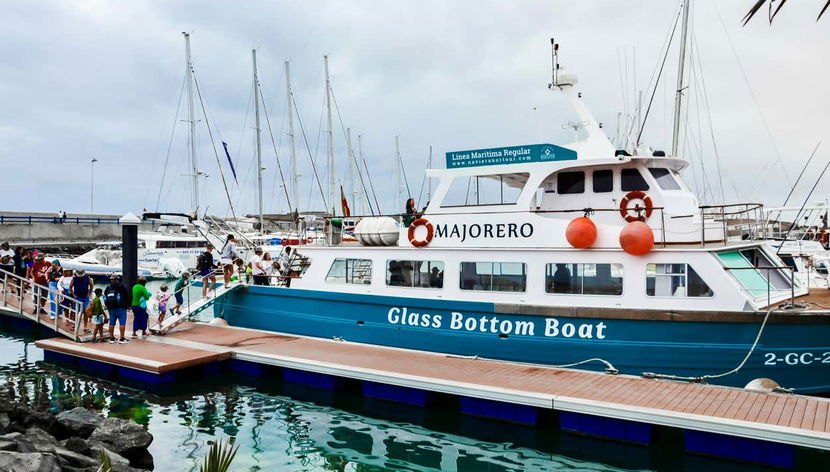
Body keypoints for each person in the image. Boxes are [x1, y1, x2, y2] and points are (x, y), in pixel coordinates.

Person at [104, 274, 130, 344]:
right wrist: (128, 305)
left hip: (111, 308)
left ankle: (111, 338)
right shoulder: (122, 287)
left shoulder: (108, 288)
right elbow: (127, 296)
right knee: (122, 322)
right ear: (118, 280)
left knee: (111, 323)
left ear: (111, 280)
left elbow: (105, 296)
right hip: (121, 308)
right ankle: (122, 338)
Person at [70, 269, 94, 333]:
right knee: (75, 312)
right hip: (77, 297)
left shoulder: (87, 277)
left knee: (86, 312)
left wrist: (89, 293)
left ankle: (85, 327)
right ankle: (74, 325)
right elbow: (70, 287)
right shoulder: (74, 279)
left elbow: (91, 285)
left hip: (85, 297)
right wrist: (74, 295)